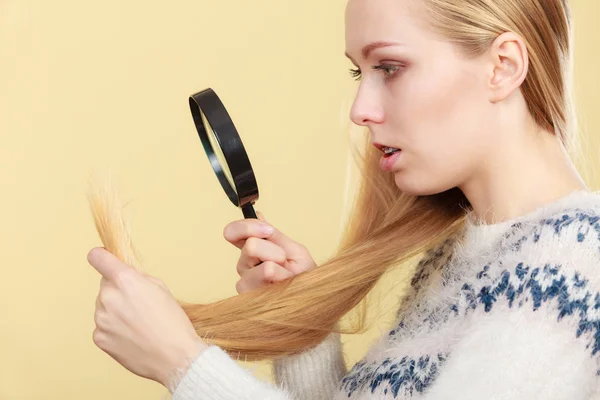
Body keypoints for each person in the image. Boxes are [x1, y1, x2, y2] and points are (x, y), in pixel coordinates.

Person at [86, 0, 600, 398]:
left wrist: (182, 364)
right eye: (360, 72)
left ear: (502, 67)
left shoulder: (573, 266)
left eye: (391, 67)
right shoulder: (458, 260)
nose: (360, 109)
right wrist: (306, 337)